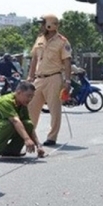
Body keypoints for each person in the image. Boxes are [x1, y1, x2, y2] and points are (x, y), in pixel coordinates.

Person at [27, 14, 73, 146]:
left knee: (54, 109)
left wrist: (68, 81)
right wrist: (30, 77)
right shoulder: (39, 39)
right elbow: (34, 59)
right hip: (39, 78)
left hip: (54, 77)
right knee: (32, 107)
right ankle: (29, 134)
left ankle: (52, 137)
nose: (40, 26)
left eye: (42, 23)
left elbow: (67, 62)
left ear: (49, 25)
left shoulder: (62, 41)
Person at [0, 81, 45, 157]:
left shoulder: (22, 104)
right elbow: (15, 121)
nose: (30, 99)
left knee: (27, 124)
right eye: (28, 96)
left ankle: (11, 151)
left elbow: (30, 126)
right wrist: (27, 139)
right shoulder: (5, 101)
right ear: (19, 92)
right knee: (7, 124)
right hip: (0, 127)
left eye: (32, 96)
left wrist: (38, 145)